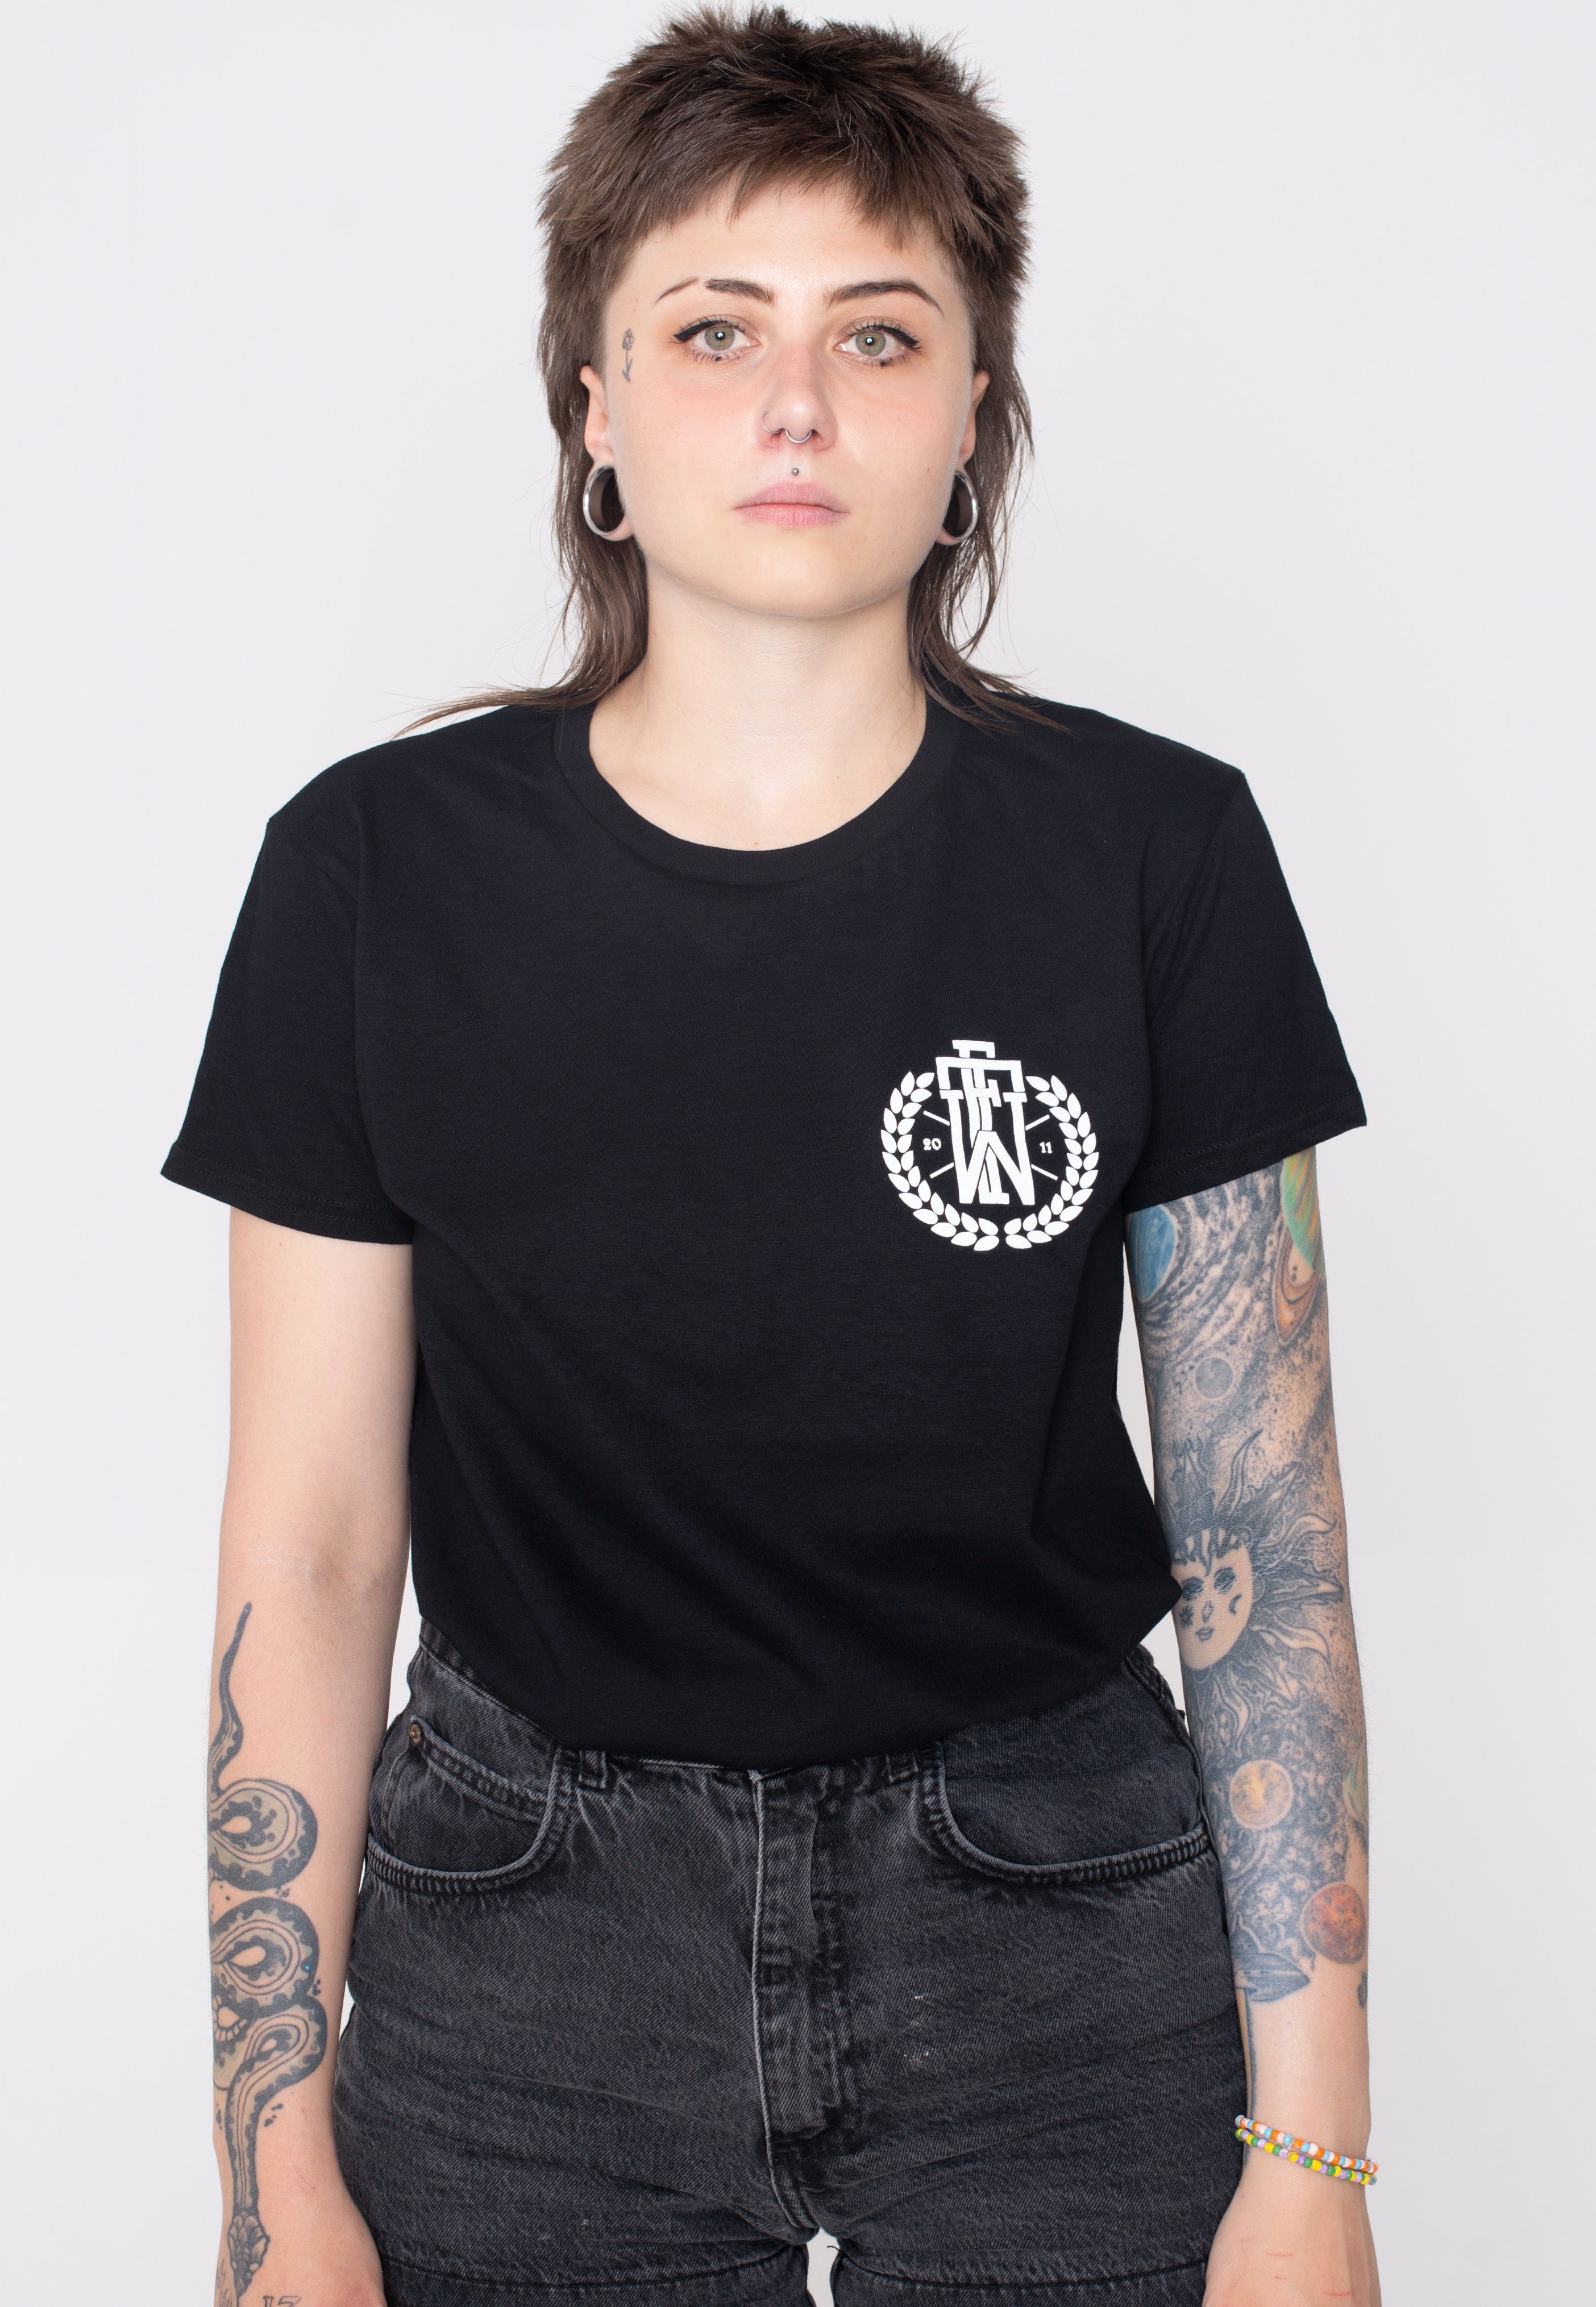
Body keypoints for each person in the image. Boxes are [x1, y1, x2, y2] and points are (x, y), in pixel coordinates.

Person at [171, 12, 1378, 2306]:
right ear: (597, 414)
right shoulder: (371, 873)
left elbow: (1264, 1540)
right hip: (525, 1944)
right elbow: (310, 1553)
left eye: (879, 334)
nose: (798, 403)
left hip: (1060, 1923)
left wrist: (1315, 2158)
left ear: (974, 416)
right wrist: (267, 2167)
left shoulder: (1157, 852)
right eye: (714, 330)